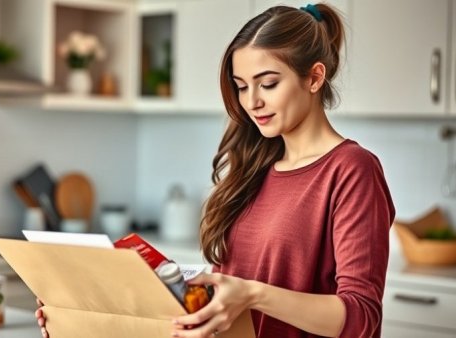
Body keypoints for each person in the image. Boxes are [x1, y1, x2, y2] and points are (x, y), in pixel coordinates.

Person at [35, 3, 395, 338]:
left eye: (268, 84)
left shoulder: (352, 170)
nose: (252, 102)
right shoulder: (255, 167)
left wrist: (252, 295)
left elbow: (361, 317)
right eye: (241, 87)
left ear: (314, 78)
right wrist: (83, 308)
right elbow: (228, 293)